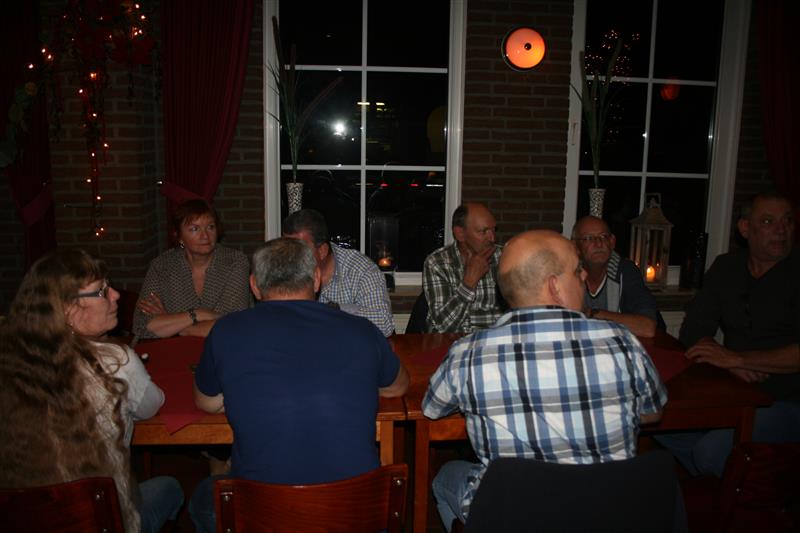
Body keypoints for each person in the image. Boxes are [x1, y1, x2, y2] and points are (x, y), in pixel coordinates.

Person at [422, 230, 667, 531]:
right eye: (577, 271)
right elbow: (652, 412)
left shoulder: (468, 352)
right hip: (610, 512)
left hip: (516, 516)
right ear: (554, 286)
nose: (584, 276)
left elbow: (432, 408)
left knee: (445, 476)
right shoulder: (622, 341)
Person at [188, 238, 409, 532]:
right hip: (357, 514)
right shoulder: (363, 331)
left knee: (204, 497)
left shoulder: (225, 331)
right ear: (316, 279)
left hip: (264, 515)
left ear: (254, 286)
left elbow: (205, 401)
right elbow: (398, 386)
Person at [0, 249, 183, 533]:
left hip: (26, 520)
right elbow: (152, 405)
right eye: (102, 291)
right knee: (170, 487)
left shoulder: (9, 363)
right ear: (67, 309)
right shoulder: (114, 360)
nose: (116, 295)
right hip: (108, 522)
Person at [663, 192, 800, 477]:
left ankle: (740, 484)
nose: (781, 230)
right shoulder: (727, 267)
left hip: (787, 400)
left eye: (787, 221)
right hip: (734, 390)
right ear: (745, 228)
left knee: (709, 452)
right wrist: (727, 364)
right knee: (655, 422)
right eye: (768, 221)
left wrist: (738, 359)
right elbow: (694, 328)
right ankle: (739, 480)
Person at [133, 199, 251, 340]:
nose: (205, 236)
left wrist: (171, 322)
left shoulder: (235, 262)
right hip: (175, 350)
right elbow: (142, 326)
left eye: (210, 227)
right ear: (179, 236)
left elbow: (233, 326)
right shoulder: (162, 266)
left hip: (225, 348)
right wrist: (198, 314)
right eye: (195, 229)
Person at [282, 209, 394, 336]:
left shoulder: (360, 270)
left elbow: (384, 323)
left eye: (299, 250)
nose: (290, 257)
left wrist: (335, 311)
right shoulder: (280, 271)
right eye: (286, 248)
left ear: (322, 251)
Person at [423, 203, 505, 333]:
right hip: (451, 339)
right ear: (460, 233)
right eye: (483, 231)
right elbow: (443, 327)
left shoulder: (505, 257)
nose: (492, 238)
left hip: (493, 338)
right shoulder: (438, 262)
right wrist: (469, 283)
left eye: (494, 229)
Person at [572, 215, 658, 337]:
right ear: (575, 247)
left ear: (612, 242)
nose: (598, 243)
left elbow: (647, 327)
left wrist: (592, 314)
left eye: (603, 237)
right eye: (589, 238)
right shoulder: (569, 273)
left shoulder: (625, 271)